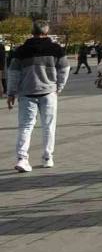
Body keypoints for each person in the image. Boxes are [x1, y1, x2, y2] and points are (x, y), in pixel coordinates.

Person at [5, 20, 69, 172]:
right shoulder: (56, 49)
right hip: (48, 92)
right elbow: (65, 69)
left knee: (25, 126)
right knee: (48, 126)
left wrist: (11, 93)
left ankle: (22, 158)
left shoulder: (21, 50)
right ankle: (48, 157)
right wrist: (58, 87)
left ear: (32, 32)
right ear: (46, 32)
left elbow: (13, 73)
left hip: (26, 93)